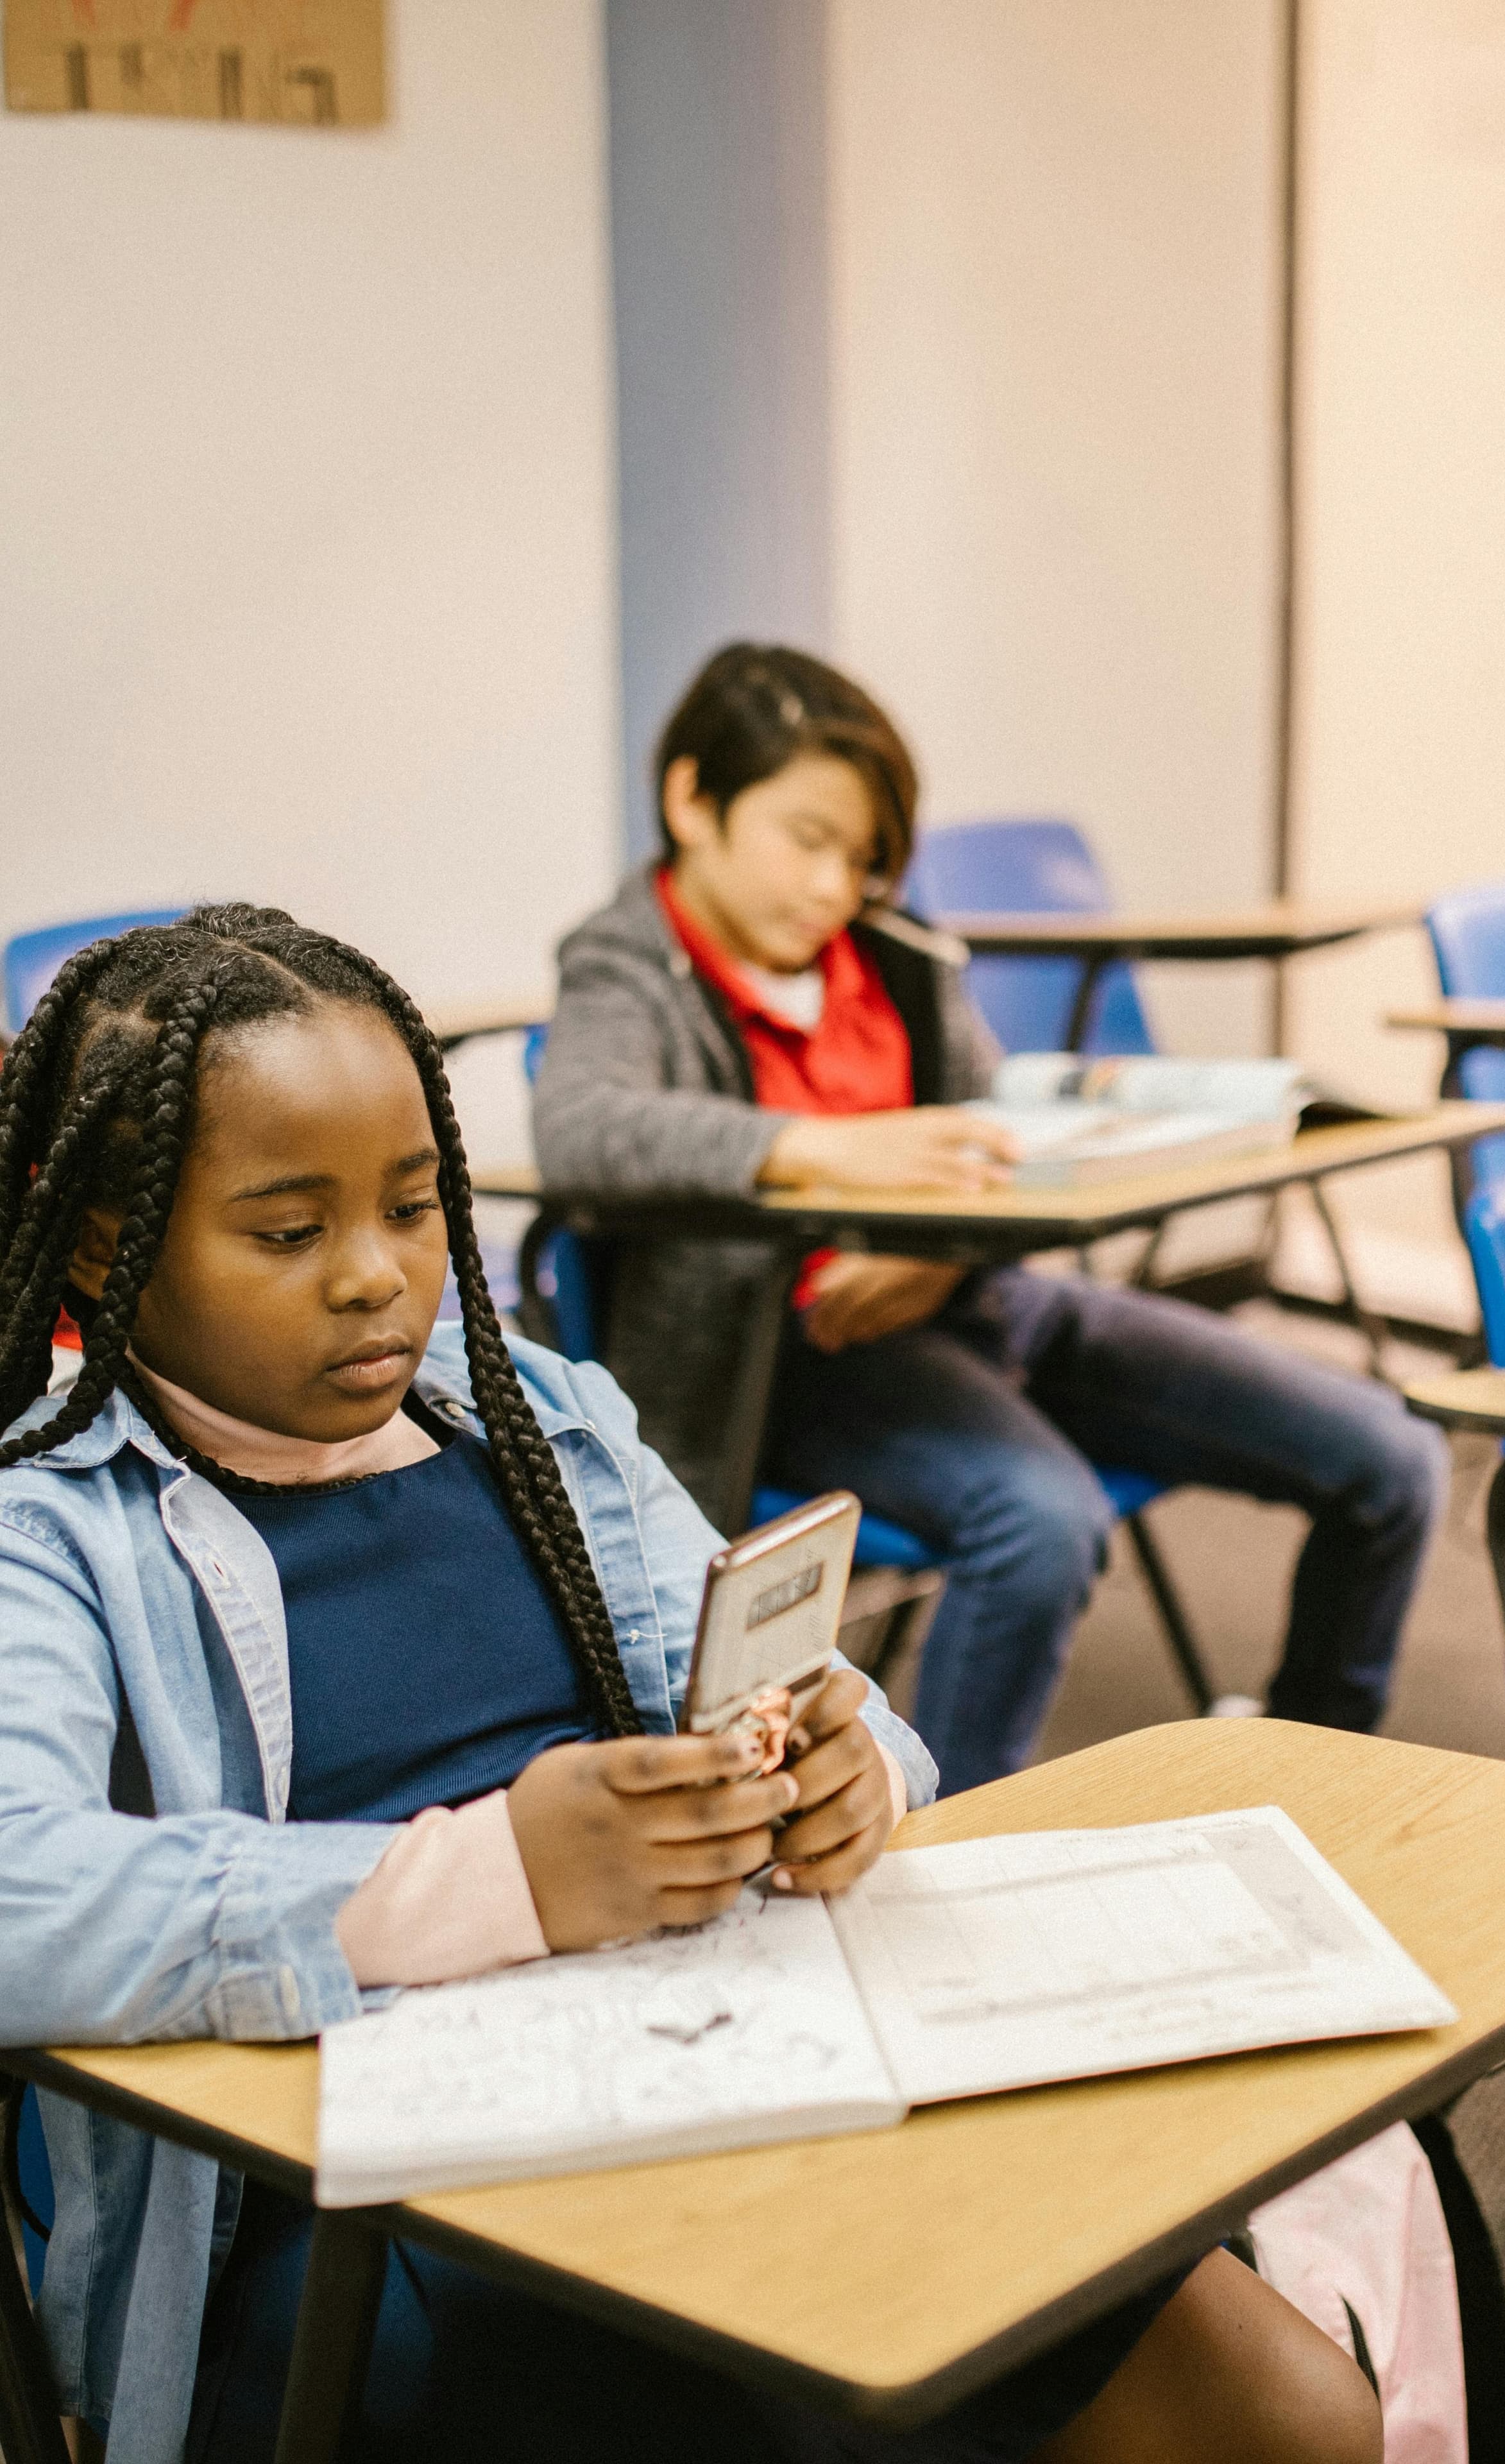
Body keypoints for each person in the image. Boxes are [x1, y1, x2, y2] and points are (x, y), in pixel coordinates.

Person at [0, 908, 1382, 2464]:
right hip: (367, 2204)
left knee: (1283, 2403)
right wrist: (500, 1878)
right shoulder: (51, 1524)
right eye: (285, 1230)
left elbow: (796, 1683)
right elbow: (20, 1892)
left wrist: (847, 1774)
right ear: (111, 1246)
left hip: (704, 2055)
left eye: (412, 1204)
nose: (381, 1280)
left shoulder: (536, 1414)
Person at [532, 644, 1448, 1792]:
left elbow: (997, 1135)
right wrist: (825, 1148)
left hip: (980, 1303)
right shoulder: (628, 964)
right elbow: (585, 1128)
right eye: (806, 839)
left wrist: (942, 1252)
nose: (832, 887)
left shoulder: (892, 958)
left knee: (1394, 1459)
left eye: (861, 858)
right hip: (799, 1357)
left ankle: (1318, 1755)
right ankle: (941, 1835)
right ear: (692, 800)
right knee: (1041, 1524)